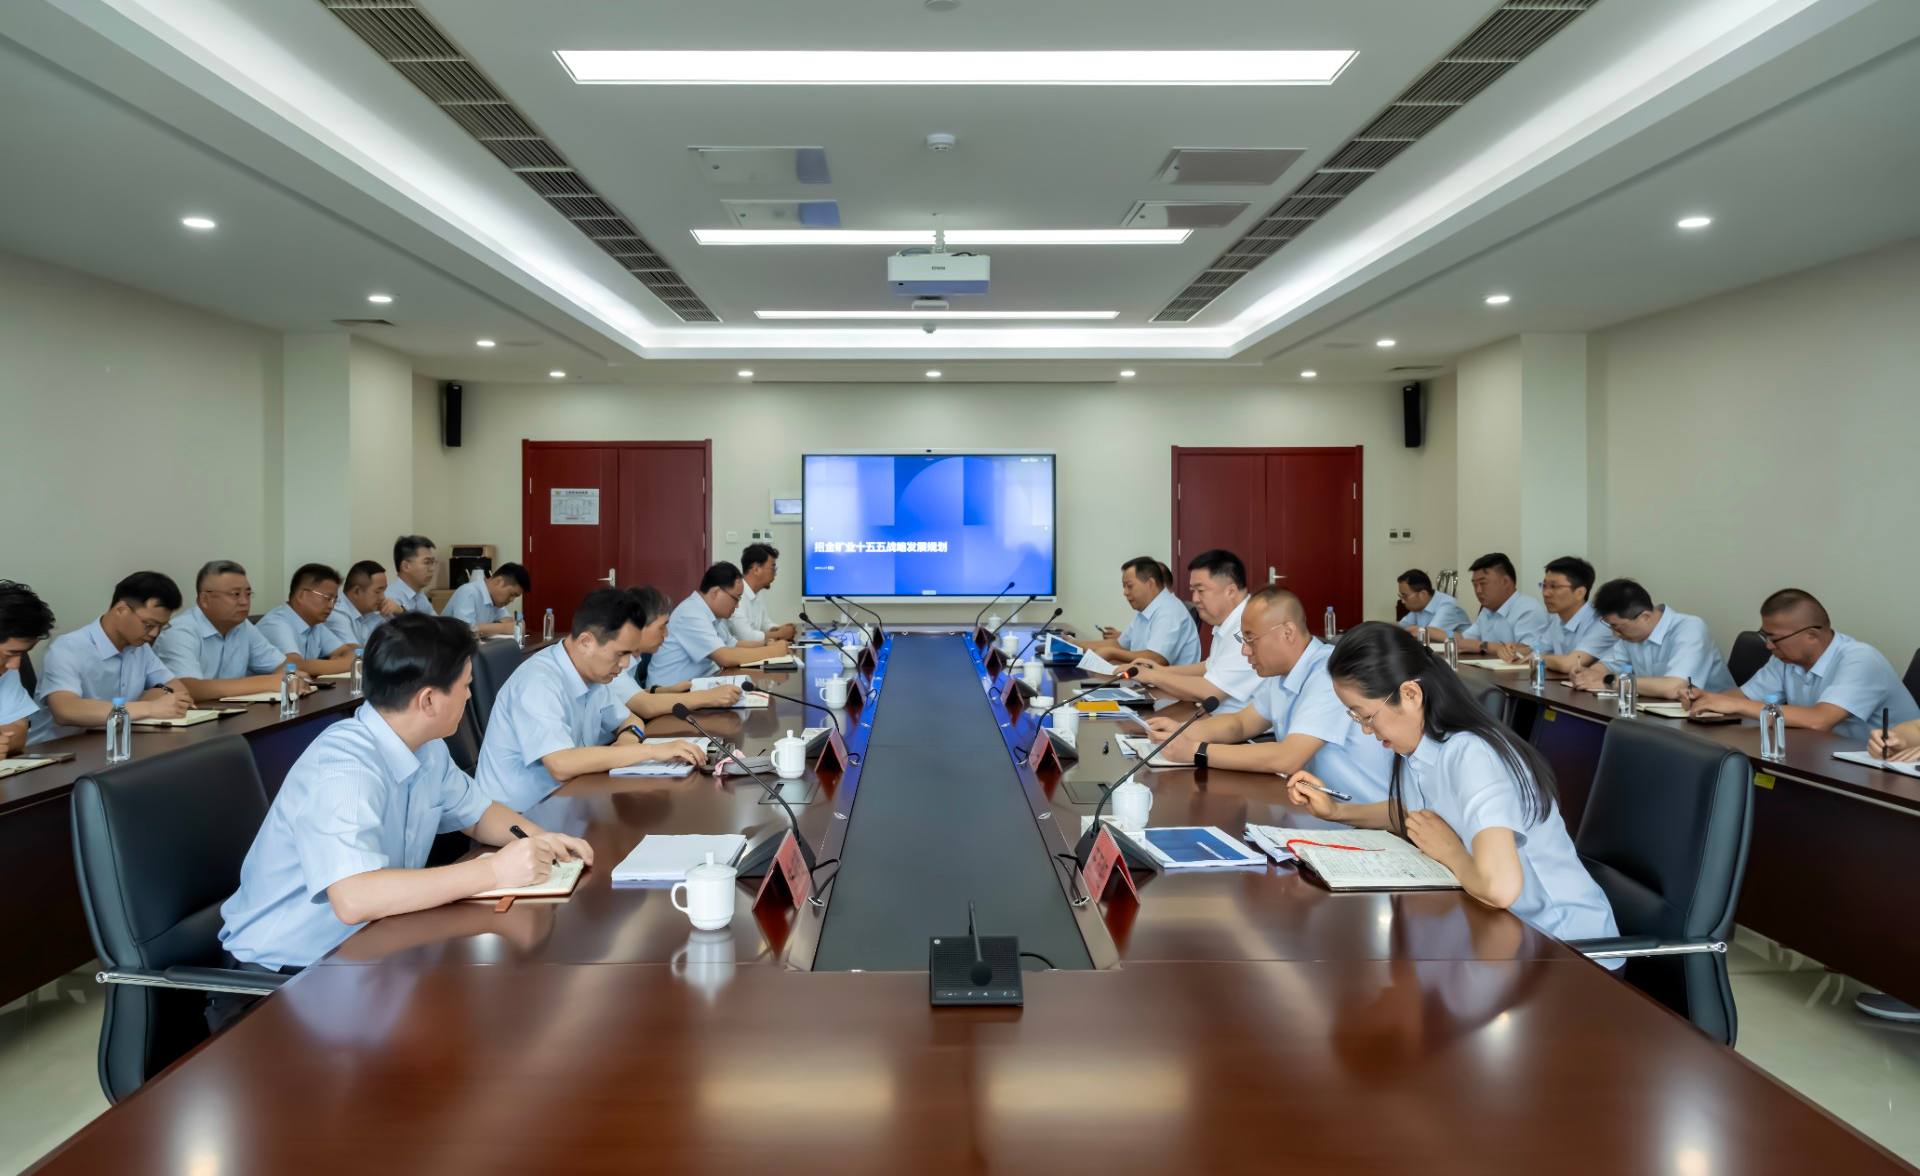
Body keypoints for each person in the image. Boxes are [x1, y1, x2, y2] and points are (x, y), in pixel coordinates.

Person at [213, 613, 594, 1010]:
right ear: (428, 700)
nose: (469, 696)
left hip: (366, 951)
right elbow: (353, 898)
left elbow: (479, 814)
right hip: (282, 978)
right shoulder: (345, 767)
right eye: (465, 686)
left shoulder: (426, 747)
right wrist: (495, 872)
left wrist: (543, 840)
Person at [1290, 622, 1618, 953]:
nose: (1364, 730)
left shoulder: (1472, 755)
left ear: (1410, 694)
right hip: (1499, 927)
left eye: (1366, 716)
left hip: (1566, 945)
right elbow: (1414, 815)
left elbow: (1500, 888)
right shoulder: (1419, 744)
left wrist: (1450, 852)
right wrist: (1337, 811)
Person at [1142, 587, 1394, 802]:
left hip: (1359, 818)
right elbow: (1241, 723)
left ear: (1288, 633)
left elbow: (1288, 757)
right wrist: (1181, 731)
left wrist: (1196, 751)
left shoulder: (1329, 674)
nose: (1245, 651)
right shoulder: (1280, 674)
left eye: (1251, 639)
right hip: (1315, 807)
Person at [478, 587, 709, 810]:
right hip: (519, 818)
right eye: (621, 654)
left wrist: (627, 741)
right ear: (586, 642)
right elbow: (560, 764)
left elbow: (631, 721)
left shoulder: (593, 673)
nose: (625, 664)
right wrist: (649, 752)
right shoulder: (538, 683)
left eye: (630, 653)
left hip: (570, 799)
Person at [1680, 589, 1918, 739]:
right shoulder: (1785, 658)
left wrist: (1733, 705)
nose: (1768, 646)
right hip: (1824, 756)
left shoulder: (1860, 659)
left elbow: (1819, 720)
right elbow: (1744, 697)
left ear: (1811, 635)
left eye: (1775, 638)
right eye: (1765, 636)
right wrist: (1706, 699)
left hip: (1888, 770)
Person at [37, 571, 192, 734]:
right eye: (149, 624)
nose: (155, 633)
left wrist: (158, 695)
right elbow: (66, 710)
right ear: (121, 610)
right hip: (64, 746)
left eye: (162, 626)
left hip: (113, 740)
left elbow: (179, 691)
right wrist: (149, 707)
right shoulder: (68, 648)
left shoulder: (140, 647)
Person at [154, 560, 308, 702]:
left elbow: (281, 665)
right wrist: (267, 682)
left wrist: (289, 676)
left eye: (248, 594)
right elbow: (188, 687)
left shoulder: (243, 626)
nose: (244, 602)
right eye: (235, 594)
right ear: (205, 599)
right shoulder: (180, 631)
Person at [1127, 549, 1261, 712]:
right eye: (1193, 591)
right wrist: (1161, 671)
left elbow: (1210, 691)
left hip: (1232, 724)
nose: (1195, 599)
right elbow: (1211, 666)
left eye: (1201, 591)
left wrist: (1154, 676)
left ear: (1230, 591)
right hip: (1215, 717)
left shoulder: (1246, 627)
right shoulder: (1229, 620)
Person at [1571, 578, 1733, 699]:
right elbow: (1606, 667)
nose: (1615, 634)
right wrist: (1587, 675)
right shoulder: (1630, 636)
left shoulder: (1690, 628)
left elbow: (1674, 688)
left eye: (1618, 627)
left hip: (1714, 721)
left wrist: (1611, 681)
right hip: (1659, 713)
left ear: (1645, 617)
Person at [645, 562, 793, 690]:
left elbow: (734, 644)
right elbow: (725, 657)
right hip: (670, 692)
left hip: (701, 683)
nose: (737, 605)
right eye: (736, 598)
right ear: (716, 592)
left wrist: (765, 644)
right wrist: (772, 651)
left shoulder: (713, 614)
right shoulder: (691, 613)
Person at [1080, 556, 1201, 668]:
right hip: (1144, 679)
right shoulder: (1144, 610)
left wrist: (1112, 653)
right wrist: (1076, 645)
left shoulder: (1170, 611)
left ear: (1150, 584)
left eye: (1129, 586)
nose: (1125, 592)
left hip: (1168, 683)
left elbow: (1156, 658)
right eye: (1124, 587)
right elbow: (1119, 644)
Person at [256, 564, 359, 676]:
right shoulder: (276, 624)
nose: (331, 606)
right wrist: (346, 663)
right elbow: (293, 666)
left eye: (334, 600)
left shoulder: (315, 624)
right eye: (327, 598)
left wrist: (343, 661)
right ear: (301, 595)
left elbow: (347, 651)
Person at [1521, 556, 1618, 675]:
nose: (1546, 593)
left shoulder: (1601, 623)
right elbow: (1538, 650)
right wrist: (1512, 651)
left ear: (1580, 593)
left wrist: (1540, 658)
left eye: (1554, 586)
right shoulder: (1557, 618)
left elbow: (1569, 664)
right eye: (1544, 586)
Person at [1452, 553, 1551, 657]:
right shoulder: (1487, 610)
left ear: (1505, 582)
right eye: (1474, 585)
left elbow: (1529, 651)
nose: (1478, 590)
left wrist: (1483, 646)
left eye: (1483, 583)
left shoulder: (1528, 609)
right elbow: (1464, 641)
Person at [0, 581, 55, 756]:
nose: (15, 665)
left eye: (22, 654)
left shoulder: (6, 671)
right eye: (10, 653)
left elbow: (19, 731)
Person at [727, 544, 797, 644]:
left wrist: (779, 629)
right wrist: (780, 634)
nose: (775, 573)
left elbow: (765, 624)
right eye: (773, 568)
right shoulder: (737, 595)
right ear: (756, 569)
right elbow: (746, 637)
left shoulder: (756, 594)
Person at [444, 563, 530, 637]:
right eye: (512, 594)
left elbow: (511, 622)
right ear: (499, 581)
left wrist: (489, 627)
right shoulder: (468, 592)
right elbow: (467, 632)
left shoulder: (496, 601)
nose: (512, 600)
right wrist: (503, 627)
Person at [327, 560, 390, 647]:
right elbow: (353, 652)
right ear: (357, 591)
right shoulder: (336, 613)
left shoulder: (374, 612)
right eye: (377, 592)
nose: (383, 597)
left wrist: (400, 612)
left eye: (384, 590)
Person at [1396, 569, 1470, 638]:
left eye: (1405, 596)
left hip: (1463, 647)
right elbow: (1400, 627)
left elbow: (1429, 635)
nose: (1402, 601)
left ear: (1423, 594)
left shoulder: (1447, 605)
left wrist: (1414, 630)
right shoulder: (1418, 607)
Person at [387, 535, 440, 616]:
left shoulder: (419, 595)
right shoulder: (390, 598)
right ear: (406, 566)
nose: (432, 569)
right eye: (427, 562)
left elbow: (435, 621)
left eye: (433, 562)